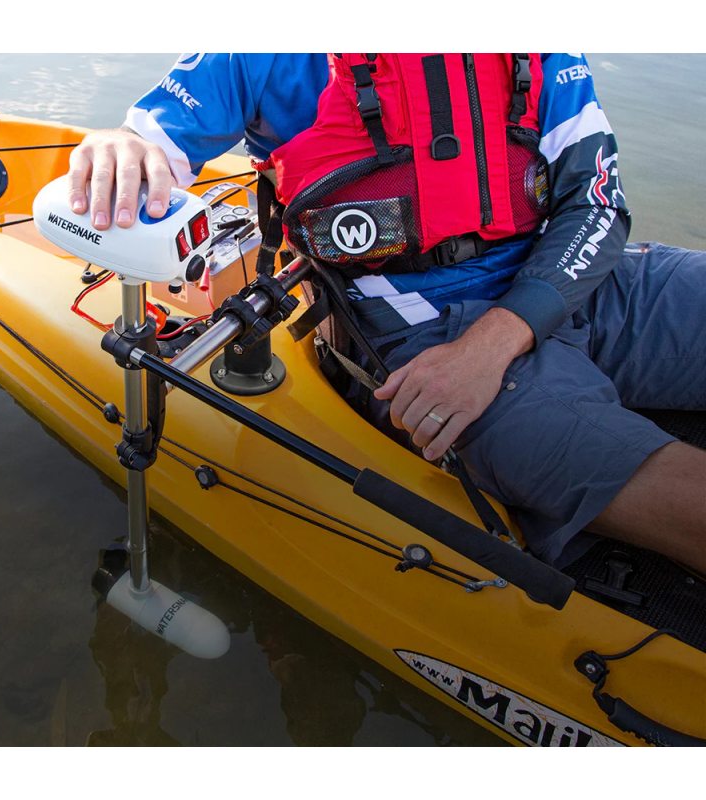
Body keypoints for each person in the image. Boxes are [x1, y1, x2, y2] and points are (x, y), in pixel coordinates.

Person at [66, 53, 706, 574]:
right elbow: (149, 141)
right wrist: (123, 147)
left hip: (572, 277)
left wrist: (498, 339)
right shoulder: (267, 47)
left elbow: (596, 203)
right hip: (418, 332)